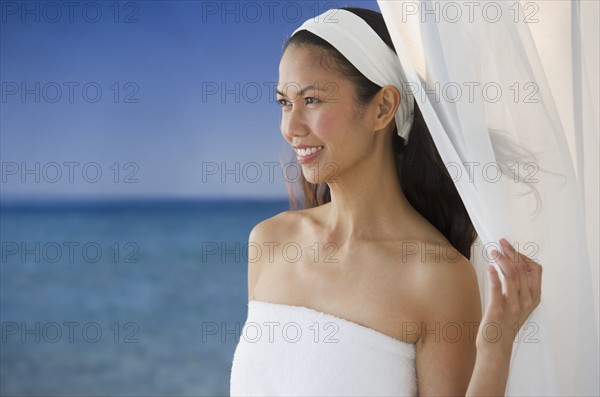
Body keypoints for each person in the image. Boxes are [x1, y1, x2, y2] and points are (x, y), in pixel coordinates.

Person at [230, 6, 543, 396]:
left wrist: (495, 347)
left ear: (382, 108)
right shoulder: (269, 242)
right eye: (284, 103)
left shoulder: (435, 276)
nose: (290, 127)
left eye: (311, 101)